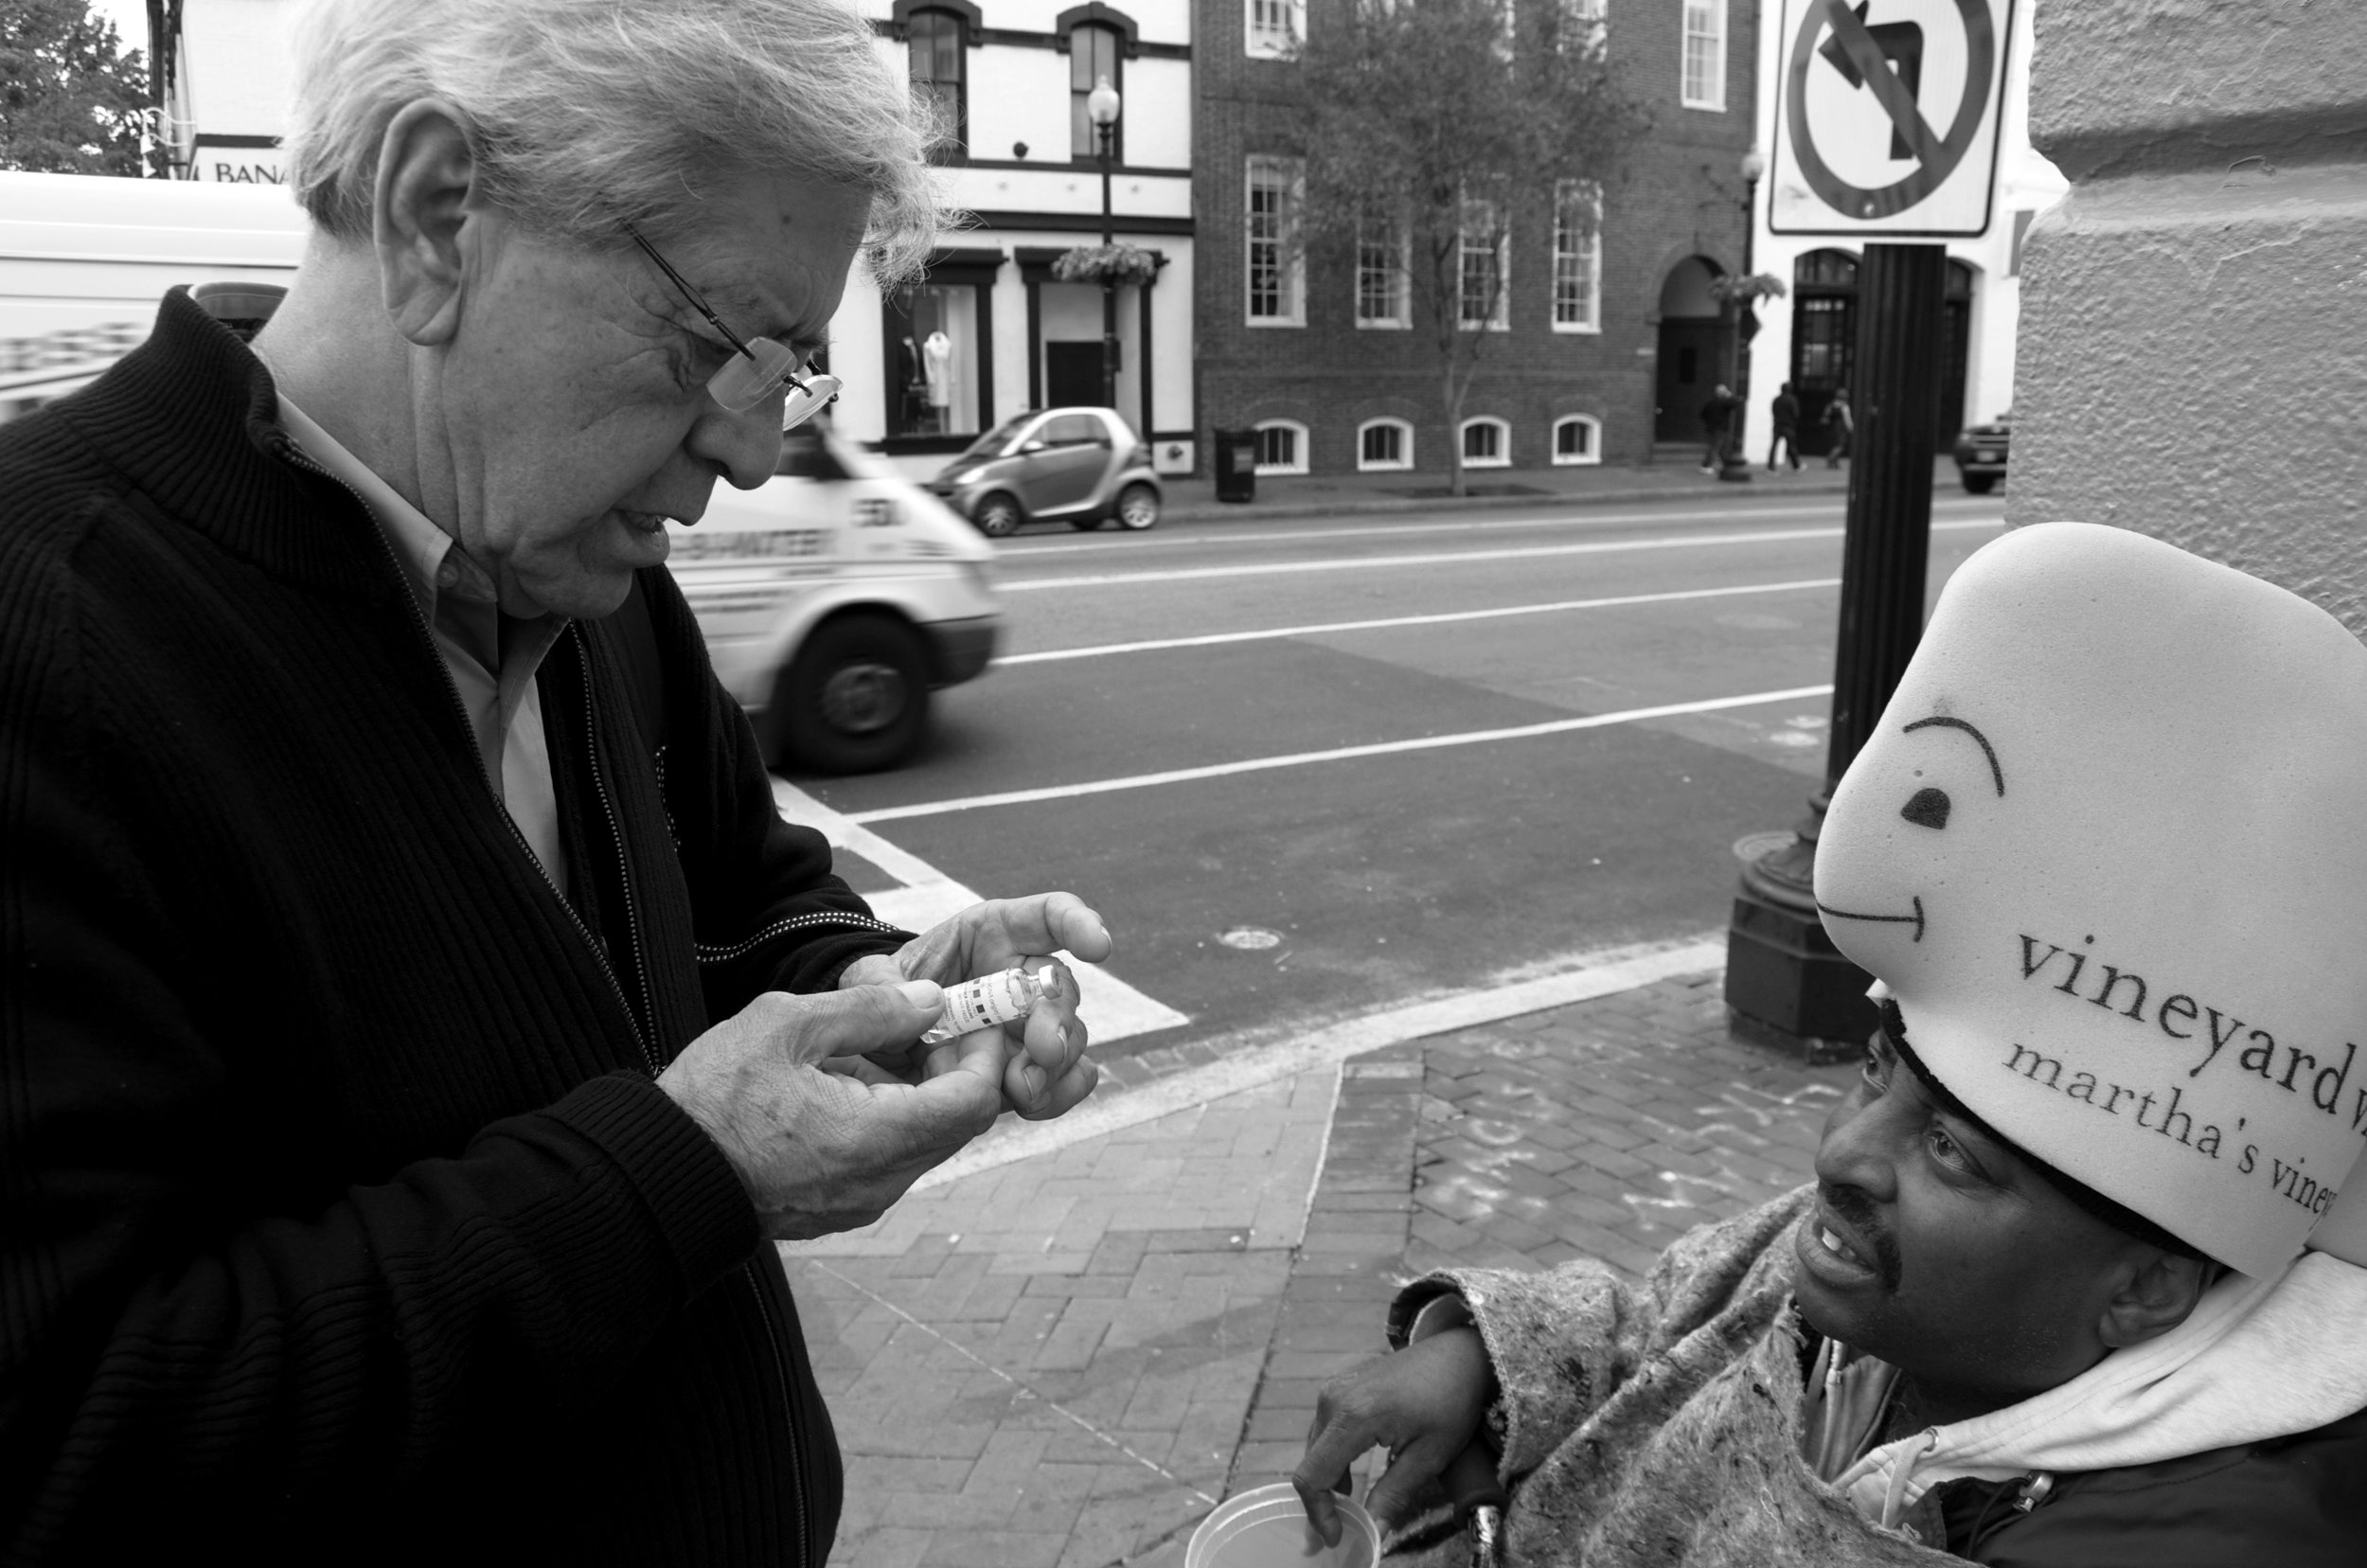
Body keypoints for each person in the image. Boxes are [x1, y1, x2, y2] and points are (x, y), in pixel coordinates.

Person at [0, 0, 1111, 1560]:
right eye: (721, 347)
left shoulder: (585, 568)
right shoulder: (47, 646)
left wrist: (883, 985)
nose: (748, 458)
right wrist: (690, 1164)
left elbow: (734, 881)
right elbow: (79, 1443)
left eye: (790, 373)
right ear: (439, 211)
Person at [1292, 524, 2367, 1566]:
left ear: (2143, 1290)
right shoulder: (1880, 1269)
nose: (1841, 1156)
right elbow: (1673, 1326)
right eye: (1876, 1071)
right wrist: (1479, 1358)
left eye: (1951, 1152)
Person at [1699, 383, 1740, 472]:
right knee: (1715, 447)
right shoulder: (1724, 402)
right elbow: (1735, 403)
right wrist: (1729, 395)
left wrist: (1708, 423)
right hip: (1720, 428)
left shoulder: (1711, 402)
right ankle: (1706, 465)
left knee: (1721, 448)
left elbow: (1703, 414)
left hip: (1711, 428)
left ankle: (1726, 464)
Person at [1770, 382, 1803, 471]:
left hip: (1777, 425)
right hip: (1788, 426)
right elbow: (1796, 414)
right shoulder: (1792, 399)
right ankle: (1796, 466)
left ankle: (1771, 466)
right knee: (1792, 446)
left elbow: (1773, 411)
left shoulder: (1776, 399)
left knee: (1774, 446)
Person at [1824, 384, 1854, 467]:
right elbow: (1847, 419)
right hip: (1841, 427)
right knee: (1840, 445)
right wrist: (1851, 427)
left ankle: (1835, 462)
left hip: (1832, 426)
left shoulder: (1831, 404)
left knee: (1835, 444)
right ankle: (1831, 458)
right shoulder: (1844, 406)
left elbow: (1826, 415)